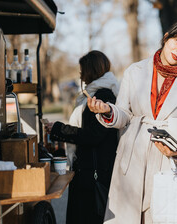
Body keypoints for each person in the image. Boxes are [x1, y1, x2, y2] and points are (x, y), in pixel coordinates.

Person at [87, 21, 177, 224]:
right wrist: (108, 110)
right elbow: (124, 113)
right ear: (167, 37)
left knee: (159, 216)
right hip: (133, 155)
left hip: (167, 159)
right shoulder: (135, 71)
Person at [46, 50, 120, 224]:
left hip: (94, 174)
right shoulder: (96, 94)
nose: (80, 75)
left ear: (91, 70)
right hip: (90, 171)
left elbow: (94, 135)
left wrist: (60, 129)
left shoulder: (103, 96)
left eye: (82, 70)